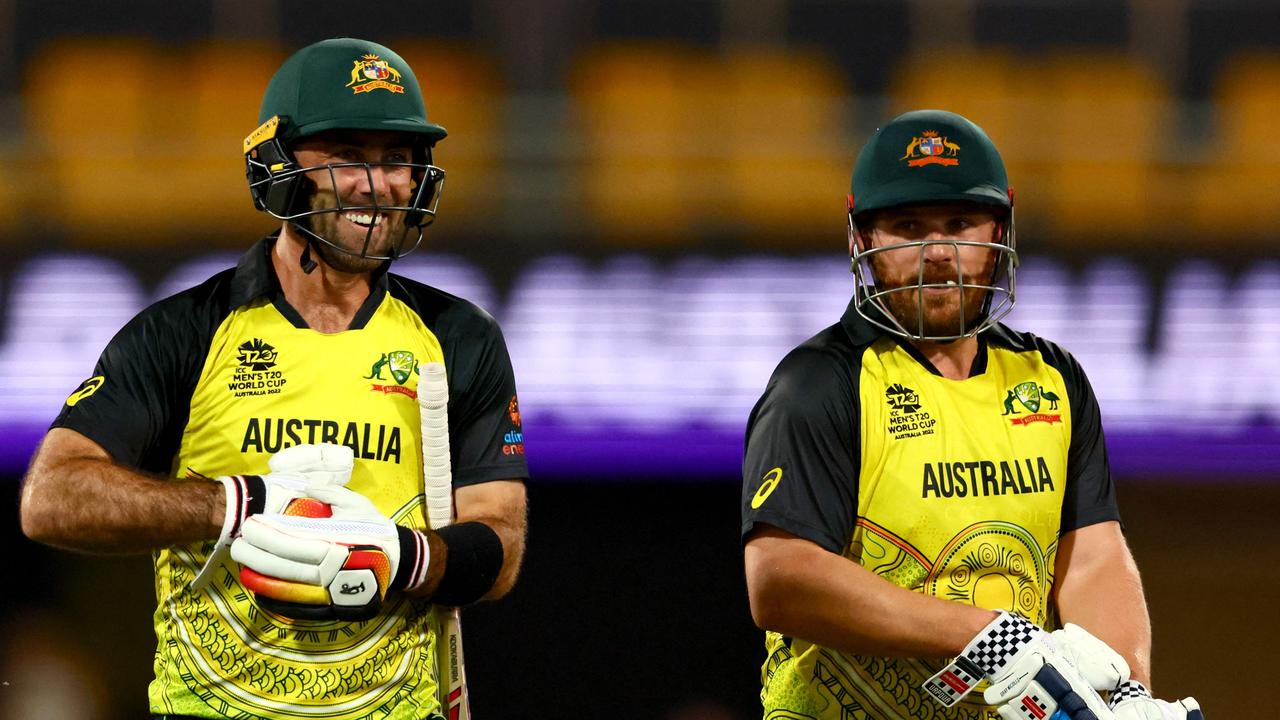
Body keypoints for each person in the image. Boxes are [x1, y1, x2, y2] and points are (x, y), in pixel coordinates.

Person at [19, 37, 528, 720]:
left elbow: (502, 543)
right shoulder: (186, 330)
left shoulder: (460, 338)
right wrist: (236, 505)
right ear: (279, 166)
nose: (377, 186)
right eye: (348, 156)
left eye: (398, 160)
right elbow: (51, 497)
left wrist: (400, 557)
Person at [740, 110, 1201, 720]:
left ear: (999, 232)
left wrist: (1121, 689)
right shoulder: (821, 382)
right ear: (863, 241)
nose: (938, 253)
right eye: (908, 227)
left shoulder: (1052, 378)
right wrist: (985, 636)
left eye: (961, 223)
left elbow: (1090, 555)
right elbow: (780, 579)